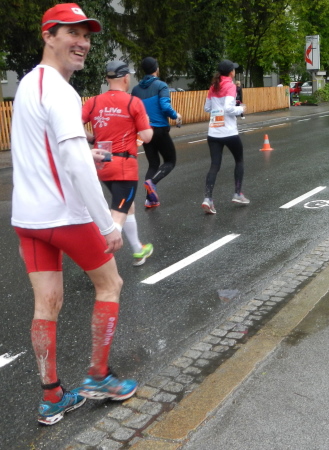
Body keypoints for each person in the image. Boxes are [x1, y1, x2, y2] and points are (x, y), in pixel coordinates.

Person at [10, 3, 137, 426]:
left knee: (47, 303)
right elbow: (73, 163)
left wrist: (85, 150)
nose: (82, 43)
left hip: (28, 217)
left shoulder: (29, 83)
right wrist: (106, 224)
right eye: (72, 33)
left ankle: (51, 397)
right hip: (65, 215)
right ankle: (99, 376)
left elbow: (46, 146)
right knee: (110, 284)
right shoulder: (62, 91)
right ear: (48, 36)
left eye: (86, 35)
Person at [82, 61, 154, 266]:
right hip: (124, 166)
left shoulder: (93, 102)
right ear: (125, 78)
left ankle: (138, 249)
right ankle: (98, 258)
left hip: (102, 164)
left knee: (126, 205)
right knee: (119, 214)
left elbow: (73, 125)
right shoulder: (133, 102)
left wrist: (91, 138)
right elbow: (147, 137)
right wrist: (146, 122)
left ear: (107, 78)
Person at [131, 57, 182, 208]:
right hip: (159, 129)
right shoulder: (161, 85)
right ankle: (152, 182)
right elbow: (165, 107)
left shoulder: (135, 90)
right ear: (156, 69)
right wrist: (176, 116)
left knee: (153, 164)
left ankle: (150, 199)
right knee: (170, 161)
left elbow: (133, 111)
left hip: (144, 131)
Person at [201, 60, 248, 215]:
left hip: (214, 133)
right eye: (234, 69)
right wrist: (241, 109)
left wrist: (217, 109)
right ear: (231, 72)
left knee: (214, 166)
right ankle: (237, 194)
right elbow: (228, 108)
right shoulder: (230, 86)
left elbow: (207, 108)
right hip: (229, 132)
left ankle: (208, 199)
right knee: (239, 160)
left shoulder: (213, 86)